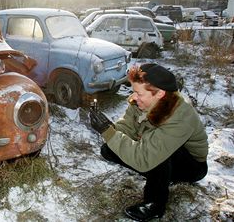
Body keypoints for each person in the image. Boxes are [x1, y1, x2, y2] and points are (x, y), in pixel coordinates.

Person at [89, 63, 208, 221]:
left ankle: (155, 205)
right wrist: (109, 128)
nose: (134, 97)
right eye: (133, 91)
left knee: (157, 156)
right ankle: (160, 174)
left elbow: (147, 155)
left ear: (159, 94)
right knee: (108, 150)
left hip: (191, 166)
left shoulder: (181, 116)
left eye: (138, 93)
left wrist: (109, 133)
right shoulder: (140, 101)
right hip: (154, 147)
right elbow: (127, 126)